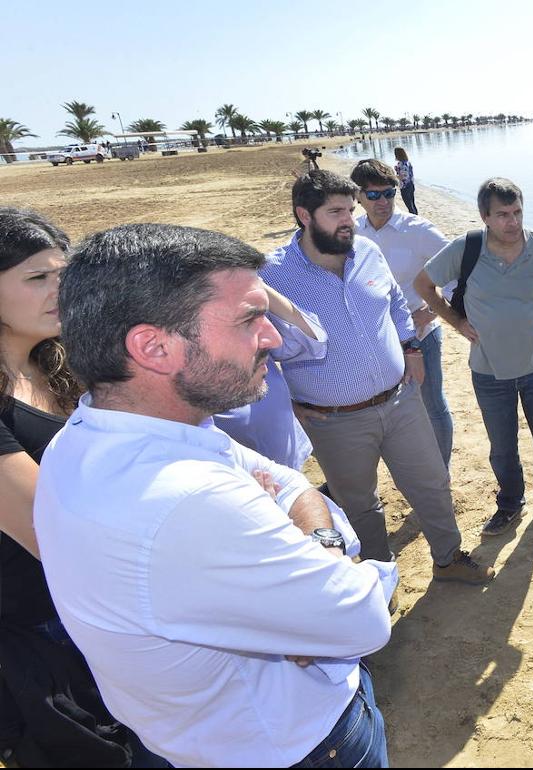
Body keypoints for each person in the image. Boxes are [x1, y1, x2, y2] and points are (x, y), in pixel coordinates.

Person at [34, 222, 400, 767]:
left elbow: (287, 479)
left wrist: (306, 546)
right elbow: (364, 617)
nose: (274, 337)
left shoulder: (95, 436)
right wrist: (328, 549)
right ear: (154, 347)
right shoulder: (185, 500)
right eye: (250, 318)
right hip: (296, 746)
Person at [260, 170, 492, 583]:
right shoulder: (272, 276)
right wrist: (286, 403)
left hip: (400, 401)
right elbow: (257, 351)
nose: (348, 219)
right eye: (335, 212)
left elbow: (396, 303)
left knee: (431, 483)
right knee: (359, 505)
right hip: (332, 419)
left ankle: (449, 557)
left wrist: (410, 345)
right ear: (304, 215)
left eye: (350, 209)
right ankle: (379, 579)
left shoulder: (367, 251)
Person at [0, 209, 159, 767]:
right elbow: (51, 532)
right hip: (46, 626)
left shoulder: (52, 364)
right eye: (37, 278)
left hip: (97, 599)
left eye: (63, 275)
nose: (59, 291)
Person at [416, 177, 533, 535]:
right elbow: (423, 285)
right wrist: (456, 320)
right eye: (503, 215)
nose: (513, 222)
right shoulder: (467, 248)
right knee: (502, 446)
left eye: (517, 212)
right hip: (489, 371)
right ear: (485, 216)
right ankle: (509, 504)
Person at [351, 159, 453, 467]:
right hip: (374, 340)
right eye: (373, 195)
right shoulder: (351, 233)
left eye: (389, 192)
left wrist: (429, 313)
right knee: (387, 407)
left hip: (420, 337)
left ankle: (440, 471)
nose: (382, 201)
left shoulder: (418, 230)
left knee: (431, 405)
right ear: (358, 196)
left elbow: (457, 276)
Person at [212, 286, 326, 470]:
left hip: (284, 456)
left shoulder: (238, 298)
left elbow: (309, 338)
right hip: (240, 478)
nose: (273, 338)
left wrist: (253, 282)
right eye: (246, 321)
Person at [394, 147, 418, 215]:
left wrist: (393, 176)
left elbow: (402, 177)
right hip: (411, 184)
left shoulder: (400, 164)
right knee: (413, 204)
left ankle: (414, 219)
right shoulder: (408, 163)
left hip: (405, 186)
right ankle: (416, 217)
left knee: (409, 206)